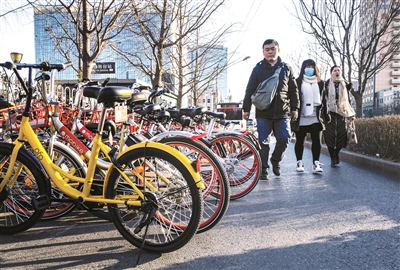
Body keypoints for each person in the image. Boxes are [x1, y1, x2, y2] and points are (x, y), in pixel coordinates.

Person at [242, 39, 299, 180]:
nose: (270, 51)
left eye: (273, 48)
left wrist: (295, 108)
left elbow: (293, 90)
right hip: (263, 112)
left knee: (285, 138)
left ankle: (275, 160)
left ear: (278, 50)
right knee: (263, 142)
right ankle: (264, 169)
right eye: (267, 49)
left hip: (283, 111)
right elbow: (250, 89)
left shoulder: (286, 68)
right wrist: (246, 108)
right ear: (263, 52)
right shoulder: (258, 69)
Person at [291, 59, 330, 173]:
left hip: (315, 116)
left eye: (311, 66)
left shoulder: (321, 83)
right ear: (303, 68)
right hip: (301, 116)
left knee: (317, 141)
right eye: (307, 66)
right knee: (300, 141)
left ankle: (316, 163)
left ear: (315, 68)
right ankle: (299, 162)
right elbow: (294, 98)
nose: (309, 68)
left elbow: (324, 100)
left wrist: (326, 115)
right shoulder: (297, 82)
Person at [324, 65, 355, 167]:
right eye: (334, 70)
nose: (337, 72)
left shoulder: (345, 84)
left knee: (342, 136)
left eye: (338, 70)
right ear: (331, 73)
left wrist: (351, 114)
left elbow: (348, 101)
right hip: (329, 114)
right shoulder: (326, 84)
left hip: (342, 113)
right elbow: (323, 99)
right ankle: (332, 157)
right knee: (329, 137)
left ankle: (336, 154)